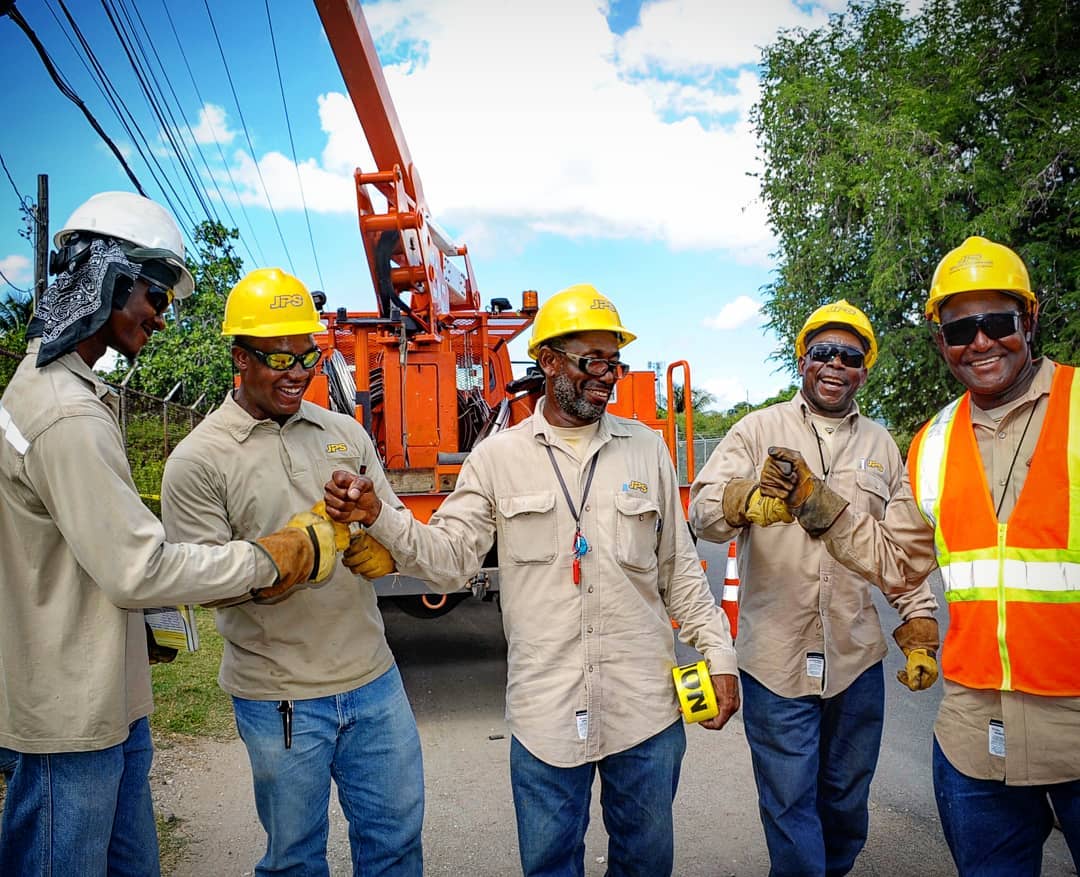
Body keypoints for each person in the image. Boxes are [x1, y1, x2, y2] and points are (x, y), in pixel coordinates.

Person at [324, 284, 739, 877]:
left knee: (646, 862)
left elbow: (681, 572)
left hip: (645, 713)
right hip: (546, 717)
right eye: (591, 361)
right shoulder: (497, 459)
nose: (607, 376)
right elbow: (450, 559)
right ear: (547, 361)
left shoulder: (646, 449)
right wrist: (381, 517)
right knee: (548, 865)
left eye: (614, 362)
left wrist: (719, 655)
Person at [0, 192, 338, 875]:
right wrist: (272, 556)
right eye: (153, 294)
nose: (160, 314)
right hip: (70, 716)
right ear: (106, 279)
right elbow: (139, 569)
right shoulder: (66, 414)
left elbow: (93, 547)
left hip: (103, 692)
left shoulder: (60, 392)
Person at [759, 237, 1080, 876]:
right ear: (941, 340)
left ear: (1029, 319)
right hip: (973, 739)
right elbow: (896, 559)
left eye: (997, 322)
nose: (980, 342)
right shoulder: (933, 442)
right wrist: (812, 502)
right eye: (961, 329)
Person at [159, 268, 423, 877]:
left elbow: (393, 519)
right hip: (279, 697)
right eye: (279, 357)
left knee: (395, 845)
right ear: (240, 357)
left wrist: (380, 543)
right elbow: (194, 578)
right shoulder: (199, 460)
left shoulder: (344, 433)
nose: (298, 371)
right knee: (295, 860)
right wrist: (284, 558)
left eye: (308, 355)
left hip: (374, 679)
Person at [688, 299, 939, 877]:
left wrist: (920, 627)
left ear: (864, 371)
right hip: (775, 659)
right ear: (802, 360)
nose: (835, 364)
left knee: (846, 800)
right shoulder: (757, 430)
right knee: (789, 802)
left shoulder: (882, 446)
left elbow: (898, 552)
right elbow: (702, 512)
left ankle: (836, 866)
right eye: (823, 352)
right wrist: (748, 501)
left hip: (855, 659)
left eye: (849, 356)